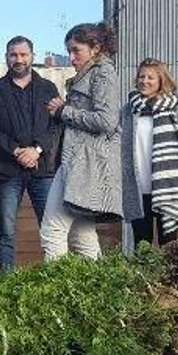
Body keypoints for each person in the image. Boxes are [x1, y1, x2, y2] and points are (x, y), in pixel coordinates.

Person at [41, 23, 122, 261]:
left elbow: (107, 120)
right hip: (77, 162)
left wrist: (63, 111)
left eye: (76, 50)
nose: (71, 57)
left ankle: (54, 284)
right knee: (81, 234)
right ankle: (99, 282)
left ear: (95, 48)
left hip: (85, 164)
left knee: (53, 230)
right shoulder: (90, 73)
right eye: (69, 51)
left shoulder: (103, 73)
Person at [0, 35, 61, 270]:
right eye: (13, 55)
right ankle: (4, 283)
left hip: (42, 168)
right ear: (6, 57)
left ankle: (55, 280)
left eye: (23, 54)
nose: (19, 59)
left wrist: (36, 150)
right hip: (6, 170)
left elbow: (56, 127)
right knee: (6, 231)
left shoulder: (48, 88)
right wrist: (17, 151)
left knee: (51, 229)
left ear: (32, 57)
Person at [122, 58, 178, 248]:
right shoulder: (128, 110)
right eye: (141, 77)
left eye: (150, 77)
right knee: (142, 245)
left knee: (169, 246)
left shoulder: (176, 109)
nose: (144, 81)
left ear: (161, 81)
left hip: (169, 188)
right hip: (138, 188)